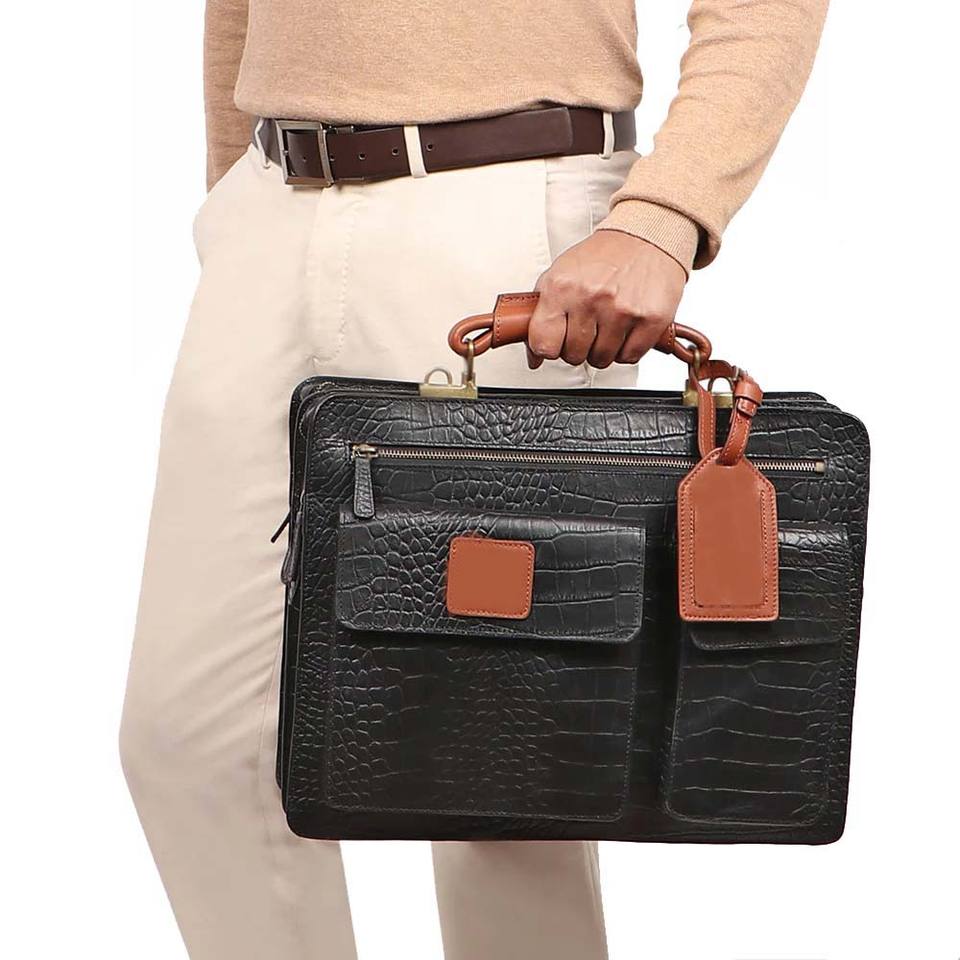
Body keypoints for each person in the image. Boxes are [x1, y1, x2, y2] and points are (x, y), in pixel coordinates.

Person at [119, 1, 829, 958]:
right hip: (273, 206)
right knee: (189, 738)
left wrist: (665, 216)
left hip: (508, 211)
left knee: (500, 774)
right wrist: (228, 196)